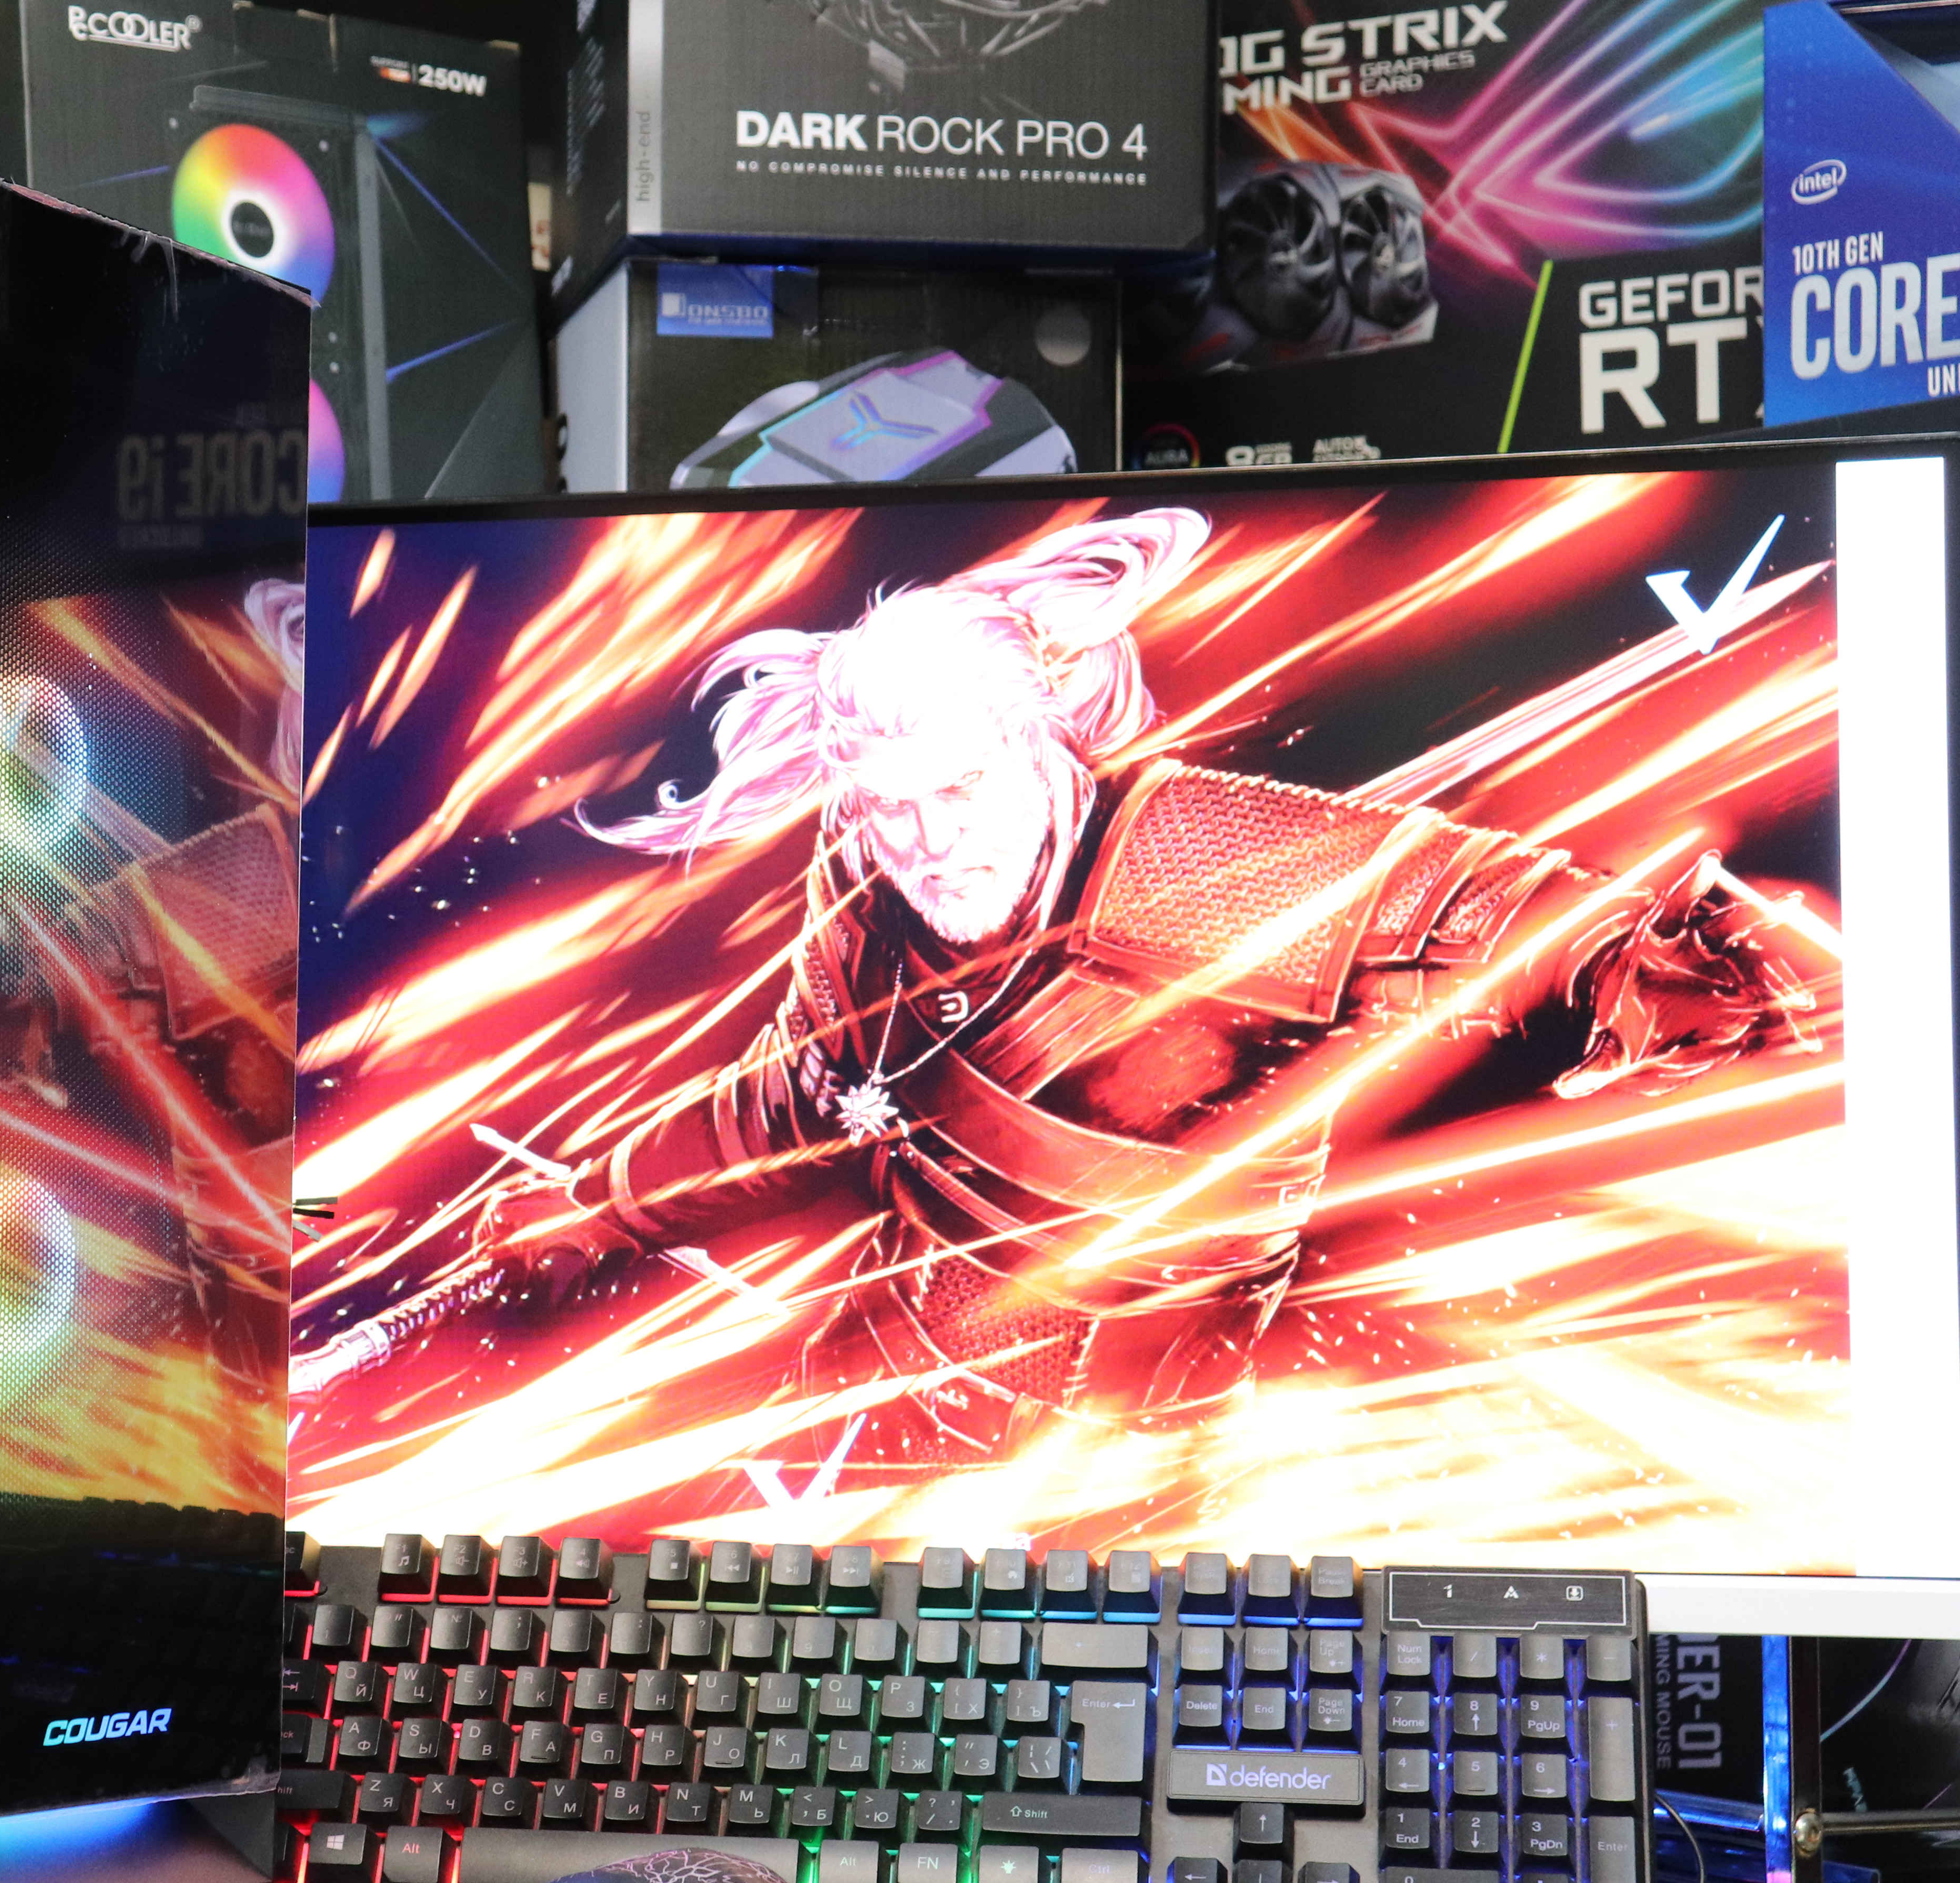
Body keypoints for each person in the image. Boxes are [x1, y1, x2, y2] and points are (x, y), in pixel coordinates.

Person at [476, 508, 1815, 1444]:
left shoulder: (1201, 857)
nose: (927, 841)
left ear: (1042, 740)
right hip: (878, 1411)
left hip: (1134, 1469)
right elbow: (789, 1103)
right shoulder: (866, 908)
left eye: (959, 788)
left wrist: (1665, 977)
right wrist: (601, 1203)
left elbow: (1516, 917)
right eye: (885, 806)